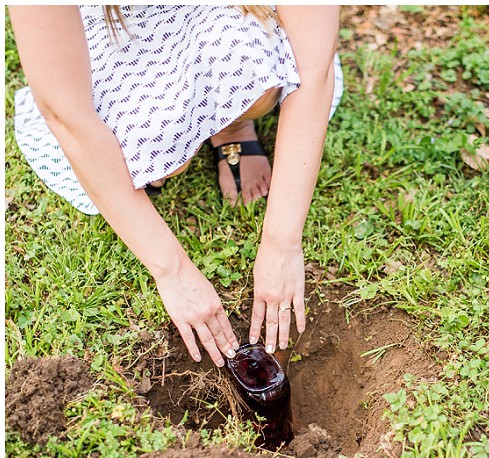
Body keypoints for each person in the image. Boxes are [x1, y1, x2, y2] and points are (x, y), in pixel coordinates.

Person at [10, 5, 344, 367]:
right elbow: (68, 114)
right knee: (146, 144)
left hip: (218, 17)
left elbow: (313, 65)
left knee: (254, 64)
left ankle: (231, 125)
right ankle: (173, 141)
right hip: (117, 36)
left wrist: (282, 243)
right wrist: (172, 272)